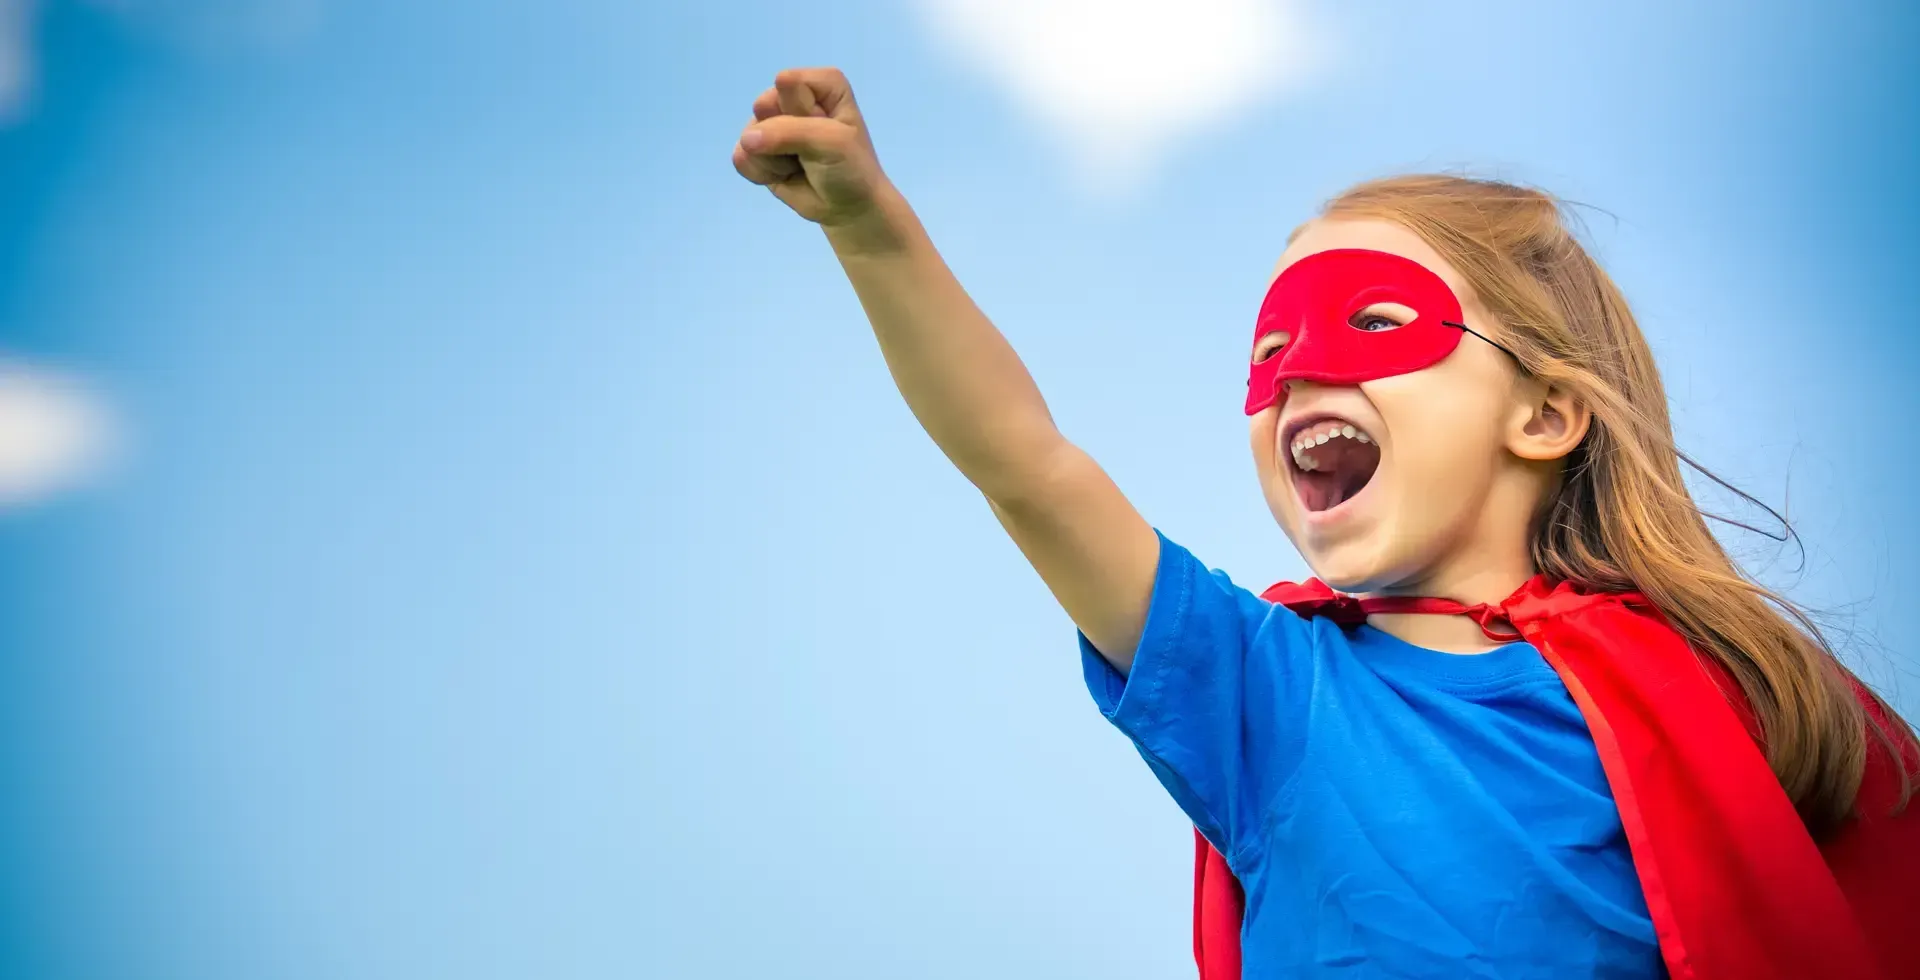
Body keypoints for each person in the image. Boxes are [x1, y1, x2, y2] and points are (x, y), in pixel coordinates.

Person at [730, 68, 1920, 979]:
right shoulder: (1258, 687)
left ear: (1547, 411)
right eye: (1269, 352)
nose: (1298, 373)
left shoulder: (1721, 690)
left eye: (1378, 322)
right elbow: (1026, 464)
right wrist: (872, 230)